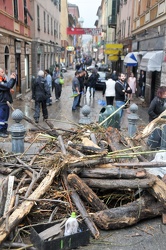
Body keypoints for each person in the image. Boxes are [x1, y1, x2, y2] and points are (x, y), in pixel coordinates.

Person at [0, 68, 16, 138]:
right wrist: (12, 79)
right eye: (2, 72)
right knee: (2, 118)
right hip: (2, 102)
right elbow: (7, 86)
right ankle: (1, 131)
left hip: (6, 102)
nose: (4, 73)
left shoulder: (3, 80)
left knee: (6, 118)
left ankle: (4, 130)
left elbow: (9, 86)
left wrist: (14, 79)